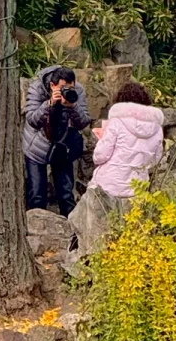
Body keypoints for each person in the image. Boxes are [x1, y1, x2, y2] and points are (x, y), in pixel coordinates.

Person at [70, 82, 165, 259]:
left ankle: (88, 256)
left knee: (94, 226)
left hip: (108, 185)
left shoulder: (117, 122)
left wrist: (102, 139)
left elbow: (100, 155)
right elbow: (154, 160)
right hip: (137, 188)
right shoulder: (157, 128)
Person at [23, 65, 91, 215]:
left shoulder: (77, 90)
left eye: (70, 87)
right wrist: (49, 104)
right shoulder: (37, 88)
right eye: (63, 88)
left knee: (66, 195)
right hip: (36, 146)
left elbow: (84, 121)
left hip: (62, 145)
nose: (67, 91)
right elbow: (32, 120)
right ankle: (36, 228)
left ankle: (70, 227)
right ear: (52, 85)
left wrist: (73, 106)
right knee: (37, 196)